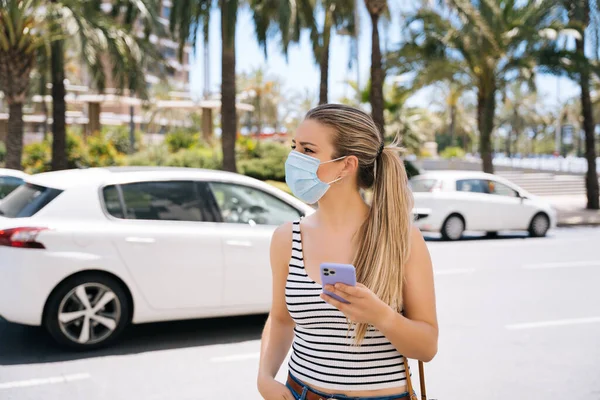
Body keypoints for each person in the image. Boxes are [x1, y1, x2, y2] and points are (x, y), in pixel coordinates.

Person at [257, 104, 438, 400]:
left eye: (307, 150)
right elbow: (280, 319)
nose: (293, 159)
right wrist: (265, 378)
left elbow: (427, 347)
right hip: (301, 393)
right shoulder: (286, 239)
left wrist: (381, 316)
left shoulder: (403, 239)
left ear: (346, 165)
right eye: (295, 147)